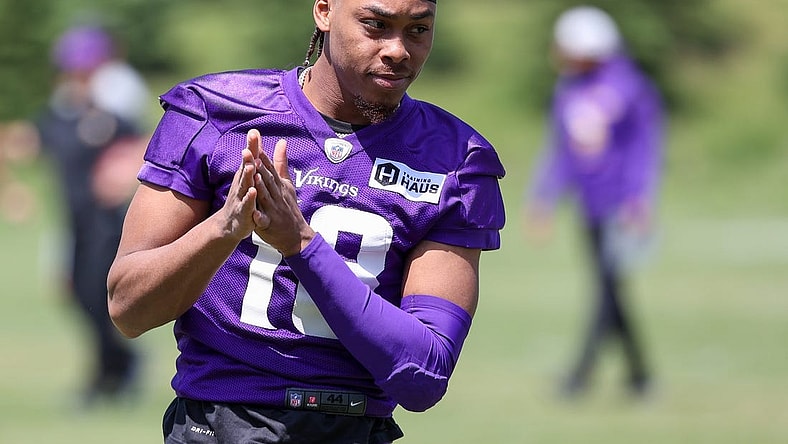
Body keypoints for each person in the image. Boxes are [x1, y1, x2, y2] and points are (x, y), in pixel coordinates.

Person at [106, 0, 506, 442]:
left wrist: (301, 244)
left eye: (418, 30)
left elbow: (423, 375)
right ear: (325, 11)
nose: (397, 50)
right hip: (220, 423)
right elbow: (128, 309)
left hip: (354, 428)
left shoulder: (455, 160)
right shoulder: (216, 112)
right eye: (376, 25)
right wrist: (224, 228)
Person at [523, 5, 664, 398]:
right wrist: (544, 198)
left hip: (621, 208)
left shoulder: (630, 87)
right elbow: (561, 151)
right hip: (589, 206)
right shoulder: (568, 88)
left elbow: (644, 149)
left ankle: (580, 376)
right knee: (611, 289)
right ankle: (640, 376)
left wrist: (639, 198)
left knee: (607, 290)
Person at [33, 24, 150, 406]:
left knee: (96, 293)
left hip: (106, 219)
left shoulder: (117, 91)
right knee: (76, 291)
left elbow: (143, 141)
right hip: (74, 219)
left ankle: (108, 373)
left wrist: (125, 171)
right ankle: (118, 364)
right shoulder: (64, 102)